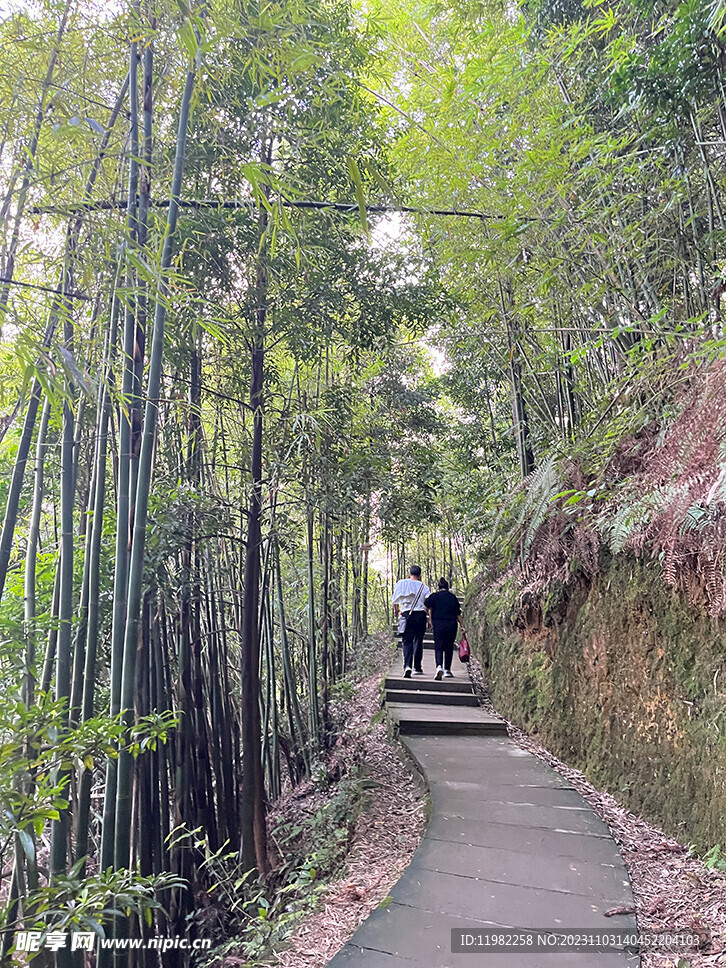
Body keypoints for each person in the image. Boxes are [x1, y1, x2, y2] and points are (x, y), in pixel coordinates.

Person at [392, 565, 431, 678]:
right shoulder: (424, 587)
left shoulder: (402, 584)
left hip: (406, 614)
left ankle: (407, 665)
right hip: (420, 614)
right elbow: (428, 604)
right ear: (420, 576)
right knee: (418, 640)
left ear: (410, 574)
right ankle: (417, 667)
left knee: (407, 641)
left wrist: (396, 609)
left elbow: (395, 598)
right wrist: (430, 619)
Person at [424, 578, 464, 680]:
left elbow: (426, 606)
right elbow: (458, 613)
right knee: (449, 647)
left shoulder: (434, 596)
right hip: (451, 624)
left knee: (438, 646)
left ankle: (439, 666)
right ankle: (447, 670)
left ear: (438, 587)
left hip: (438, 624)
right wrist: (463, 626)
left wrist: (430, 619)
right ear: (447, 587)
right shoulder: (452, 597)